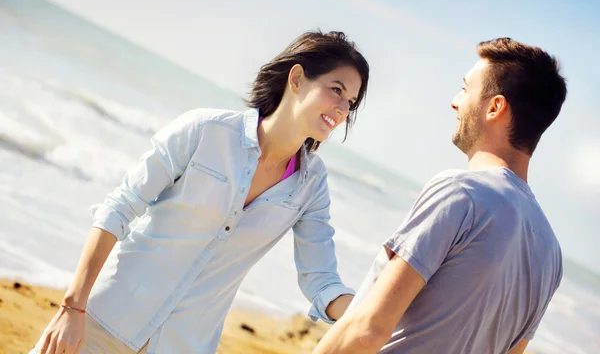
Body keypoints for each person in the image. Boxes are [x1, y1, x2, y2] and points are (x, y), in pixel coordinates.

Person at [32, 30, 370, 354]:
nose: (342, 109)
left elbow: (321, 281)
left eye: (351, 102)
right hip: (104, 322)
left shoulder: (311, 185)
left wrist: (376, 311)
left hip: (185, 346)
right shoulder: (205, 131)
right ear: (296, 79)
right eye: (336, 90)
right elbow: (121, 207)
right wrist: (71, 308)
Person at [314, 37, 567, 354]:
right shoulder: (551, 253)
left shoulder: (462, 192)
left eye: (465, 89)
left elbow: (367, 329)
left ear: (494, 107)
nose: (454, 101)